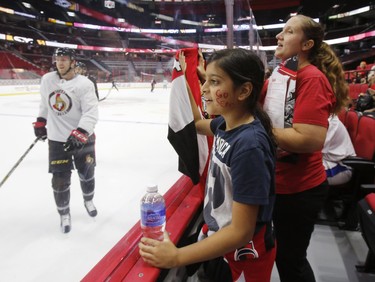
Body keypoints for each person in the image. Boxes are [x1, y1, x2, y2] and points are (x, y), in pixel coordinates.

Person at [139, 48, 277, 281]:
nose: (204, 89)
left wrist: (177, 257)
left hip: (243, 257)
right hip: (222, 244)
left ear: (244, 90)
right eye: (205, 81)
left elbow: (241, 232)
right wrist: (184, 81)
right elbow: (196, 123)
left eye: (213, 82)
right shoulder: (226, 124)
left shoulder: (249, 147)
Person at [262, 15, 349, 282]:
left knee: (290, 261)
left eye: (288, 32)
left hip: (299, 190)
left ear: (306, 44)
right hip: (280, 182)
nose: (279, 36)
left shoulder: (311, 77)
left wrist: (256, 131)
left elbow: (310, 140)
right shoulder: (281, 74)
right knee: (283, 255)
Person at [32, 47, 99, 234]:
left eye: (64, 59)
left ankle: (88, 200)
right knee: (59, 181)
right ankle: (64, 213)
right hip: (57, 140)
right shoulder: (48, 80)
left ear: (72, 62)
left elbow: (91, 112)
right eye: (57, 58)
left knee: (87, 174)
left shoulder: (84, 84)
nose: (60, 62)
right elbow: (44, 103)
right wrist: (41, 121)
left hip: (82, 138)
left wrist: (80, 132)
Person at [323, 115, 356, 186]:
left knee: (304, 175)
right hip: (328, 159)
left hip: (341, 165)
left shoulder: (331, 122)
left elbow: (312, 148)